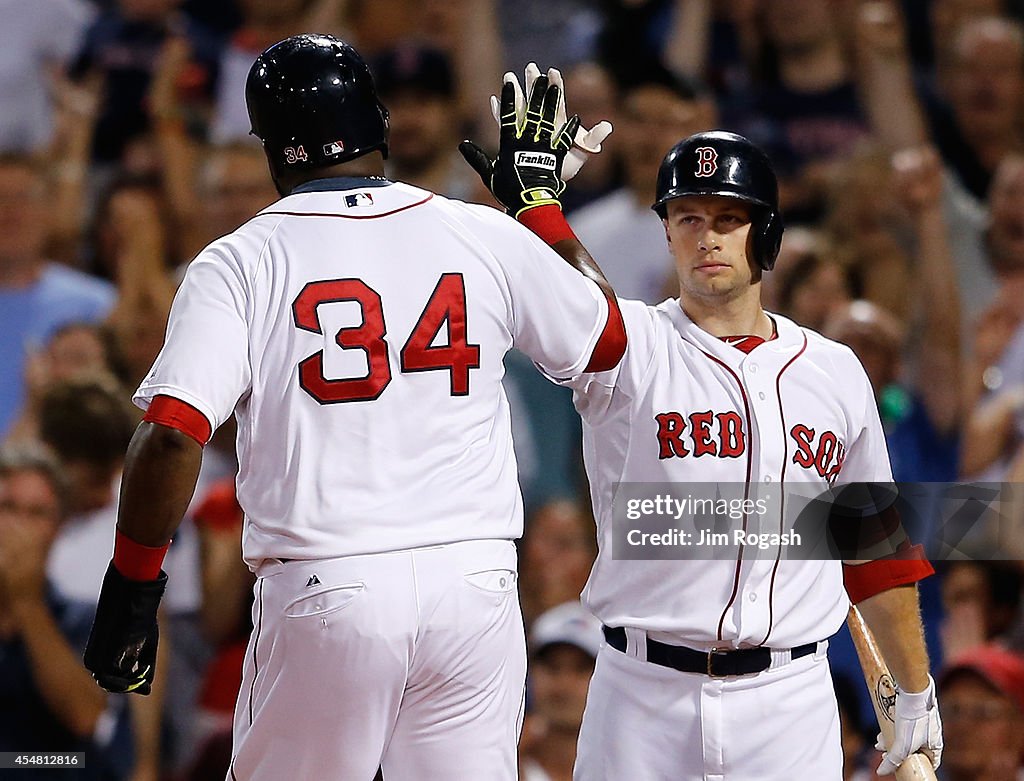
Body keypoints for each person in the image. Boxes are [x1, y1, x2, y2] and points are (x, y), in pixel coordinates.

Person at [82, 35, 625, 781]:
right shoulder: (479, 230)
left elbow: (174, 433)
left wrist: (133, 585)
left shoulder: (243, 258)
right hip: (474, 586)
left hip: (328, 585)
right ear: (380, 122)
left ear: (272, 148)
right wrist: (538, 206)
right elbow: (608, 338)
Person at [462, 108, 941, 775]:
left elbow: (877, 553)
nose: (706, 238)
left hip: (788, 701)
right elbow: (579, 305)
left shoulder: (834, 371)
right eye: (688, 218)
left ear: (765, 234)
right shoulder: (633, 349)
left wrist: (915, 689)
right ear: (667, 231)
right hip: (641, 696)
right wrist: (537, 207)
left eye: (727, 219)